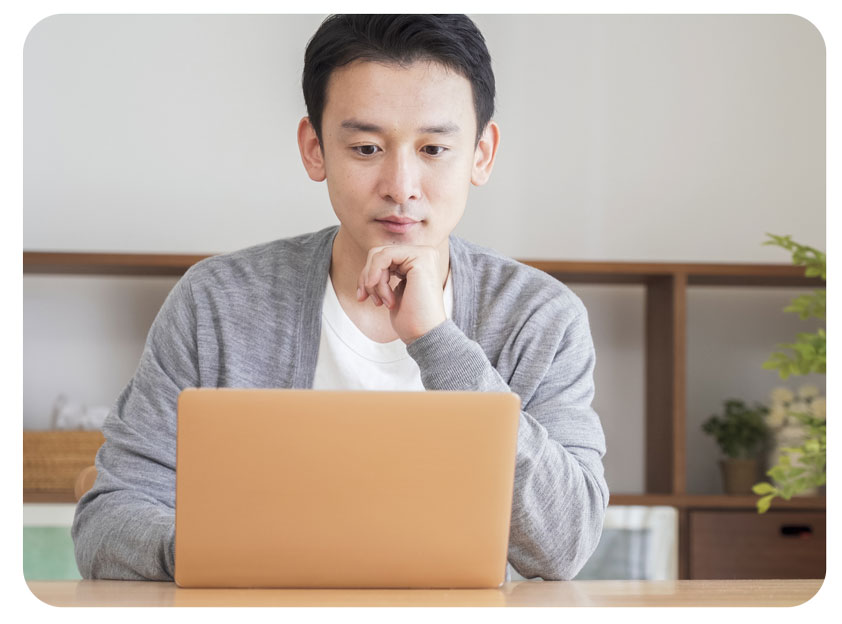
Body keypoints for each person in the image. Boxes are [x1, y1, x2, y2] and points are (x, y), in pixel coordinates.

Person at [72, 14, 608, 582]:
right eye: (367, 147)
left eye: (433, 148)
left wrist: (438, 342)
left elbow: (564, 545)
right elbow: (107, 524)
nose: (401, 185)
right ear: (315, 148)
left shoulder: (539, 318)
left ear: (481, 153)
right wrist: (221, 552)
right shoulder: (217, 304)